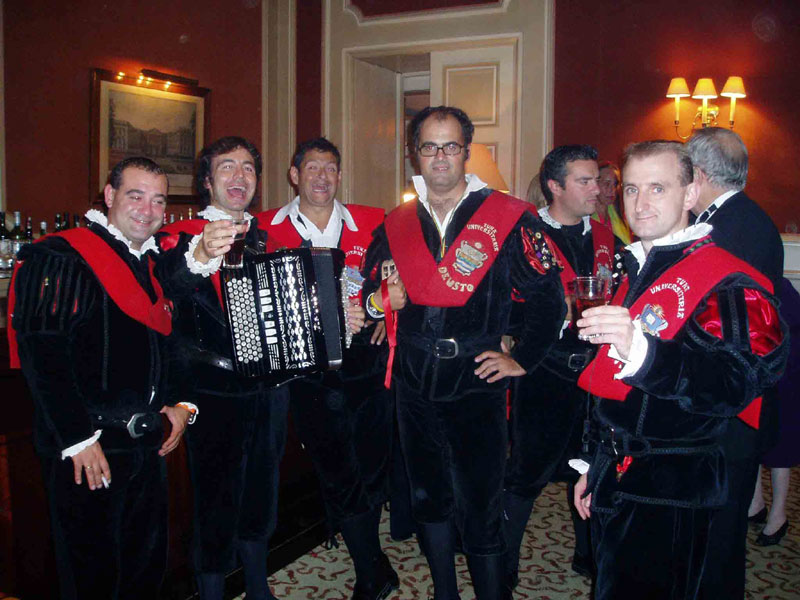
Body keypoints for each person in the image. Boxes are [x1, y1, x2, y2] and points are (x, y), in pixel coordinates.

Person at [362, 106, 563, 600]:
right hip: (413, 381)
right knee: (428, 497)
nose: (440, 157)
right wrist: (381, 298)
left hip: (476, 380)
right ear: (415, 153)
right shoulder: (397, 221)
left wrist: (522, 358)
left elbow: (549, 297)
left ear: (466, 152)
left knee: (480, 504)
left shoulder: (507, 217)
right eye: (429, 146)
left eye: (450, 146)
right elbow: (369, 285)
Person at [7, 157, 231, 600]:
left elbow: (171, 339)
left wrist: (181, 403)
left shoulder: (148, 262)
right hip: (89, 448)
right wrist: (77, 439)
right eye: (135, 196)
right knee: (92, 581)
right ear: (109, 196)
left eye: (158, 200)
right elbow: (42, 354)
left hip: (145, 445)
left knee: (144, 574)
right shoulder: (61, 255)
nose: (148, 210)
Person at [572, 141, 787, 599]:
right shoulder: (637, 269)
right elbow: (612, 387)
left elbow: (735, 386)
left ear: (690, 194)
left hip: (673, 490)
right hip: (618, 476)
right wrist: (595, 463)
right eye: (632, 189)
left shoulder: (729, 281)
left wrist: (644, 352)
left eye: (658, 188)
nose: (640, 204)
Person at [255, 137, 399, 600]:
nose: (322, 177)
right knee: (336, 468)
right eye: (313, 168)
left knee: (371, 465)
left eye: (331, 168)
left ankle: (371, 562)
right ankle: (371, 571)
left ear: (339, 175)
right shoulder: (264, 229)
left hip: (366, 363)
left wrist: (384, 315)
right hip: (308, 370)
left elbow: (399, 278)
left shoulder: (373, 222)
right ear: (294, 175)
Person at [158, 137, 290, 600]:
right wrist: (200, 255)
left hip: (270, 389)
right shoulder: (179, 237)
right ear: (208, 181)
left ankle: (258, 587)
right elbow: (167, 285)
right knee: (215, 501)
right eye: (227, 167)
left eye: (248, 167)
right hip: (212, 391)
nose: (239, 176)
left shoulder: (271, 240)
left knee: (261, 495)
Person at [503, 145, 623, 586]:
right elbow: (505, 308)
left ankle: (587, 555)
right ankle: (503, 566)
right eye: (585, 181)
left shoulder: (609, 239)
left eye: (598, 180)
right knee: (526, 473)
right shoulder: (525, 236)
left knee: (593, 466)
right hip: (546, 371)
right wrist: (550, 317)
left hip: (598, 372)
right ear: (555, 186)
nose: (598, 189)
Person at [686, 127, 784, 598]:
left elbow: (722, 328)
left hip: (733, 406)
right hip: (737, 400)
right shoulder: (742, 216)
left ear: (699, 174)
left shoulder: (729, 229)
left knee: (720, 532)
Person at [748, 278, 800, 546]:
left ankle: (779, 515)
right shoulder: (745, 279)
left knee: (781, 444)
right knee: (753, 435)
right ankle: (756, 503)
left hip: (787, 368)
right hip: (758, 369)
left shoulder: (782, 288)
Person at [594, 161, 632, 244]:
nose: (612, 190)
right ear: (595, 184)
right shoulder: (586, 220)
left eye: (615, 184)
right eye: (607, 183)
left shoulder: (620, 216)